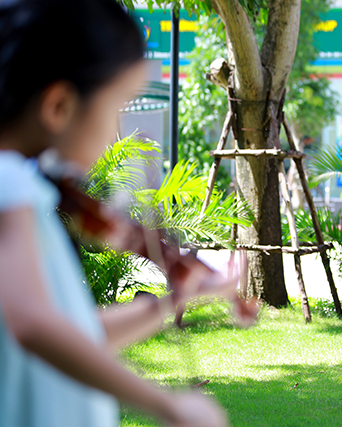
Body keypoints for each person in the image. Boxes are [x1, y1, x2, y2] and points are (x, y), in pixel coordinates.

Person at [0, 1, 242, 426]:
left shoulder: (25, 190)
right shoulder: (11, 184)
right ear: (58, 106)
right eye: (117, 106)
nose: (117, 129)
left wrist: (178, 298)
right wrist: (167, 404)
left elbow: (76, 334)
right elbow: (34, 326)